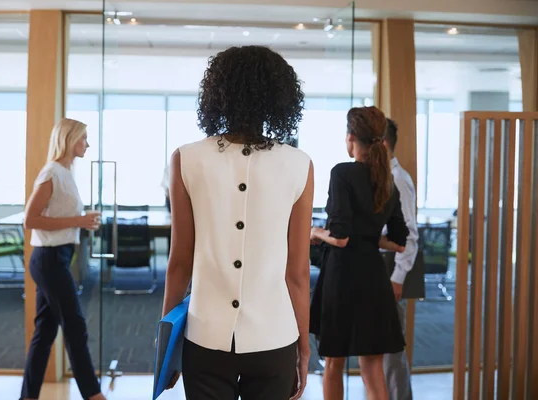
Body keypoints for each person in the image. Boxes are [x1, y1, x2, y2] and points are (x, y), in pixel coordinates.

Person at [162, 45, 313, 400]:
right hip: (275, 338)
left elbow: (179, 262)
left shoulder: (186, 158)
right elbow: (298, 274)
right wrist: (304, 349)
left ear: (218, 94)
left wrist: (166, 345)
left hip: (205, 337)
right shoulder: (299, 164)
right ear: (281, 96)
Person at [310, 106, 409, 400]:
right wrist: (367, 236)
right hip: (374, 279)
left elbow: (339, 238)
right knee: (373, 370)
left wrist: (314, 233)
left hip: (342, 279)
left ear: (351, 137)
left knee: (333, 364)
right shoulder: (387, 180)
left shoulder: (342, 173)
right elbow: (399, 242)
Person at [20, 118, 105, 400]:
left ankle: (27, 396)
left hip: (58, 256)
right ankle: (93, 394)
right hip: (48, 260)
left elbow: (59, 216)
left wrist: (81, 222)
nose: (87, 144)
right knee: (75, 325)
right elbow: (30, 220)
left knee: (44, 333)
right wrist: (78, 220)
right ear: (69, 140)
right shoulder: (51, 173)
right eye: (83, 139)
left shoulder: (66, 172)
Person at [380, 118, 418, 400]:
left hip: (392, 266)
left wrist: (397, 278)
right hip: (381, 264)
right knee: (382, 345)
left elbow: (411, 235)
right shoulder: (383, 176)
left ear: (382, 144)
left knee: (392, 347)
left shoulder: (399, 180)